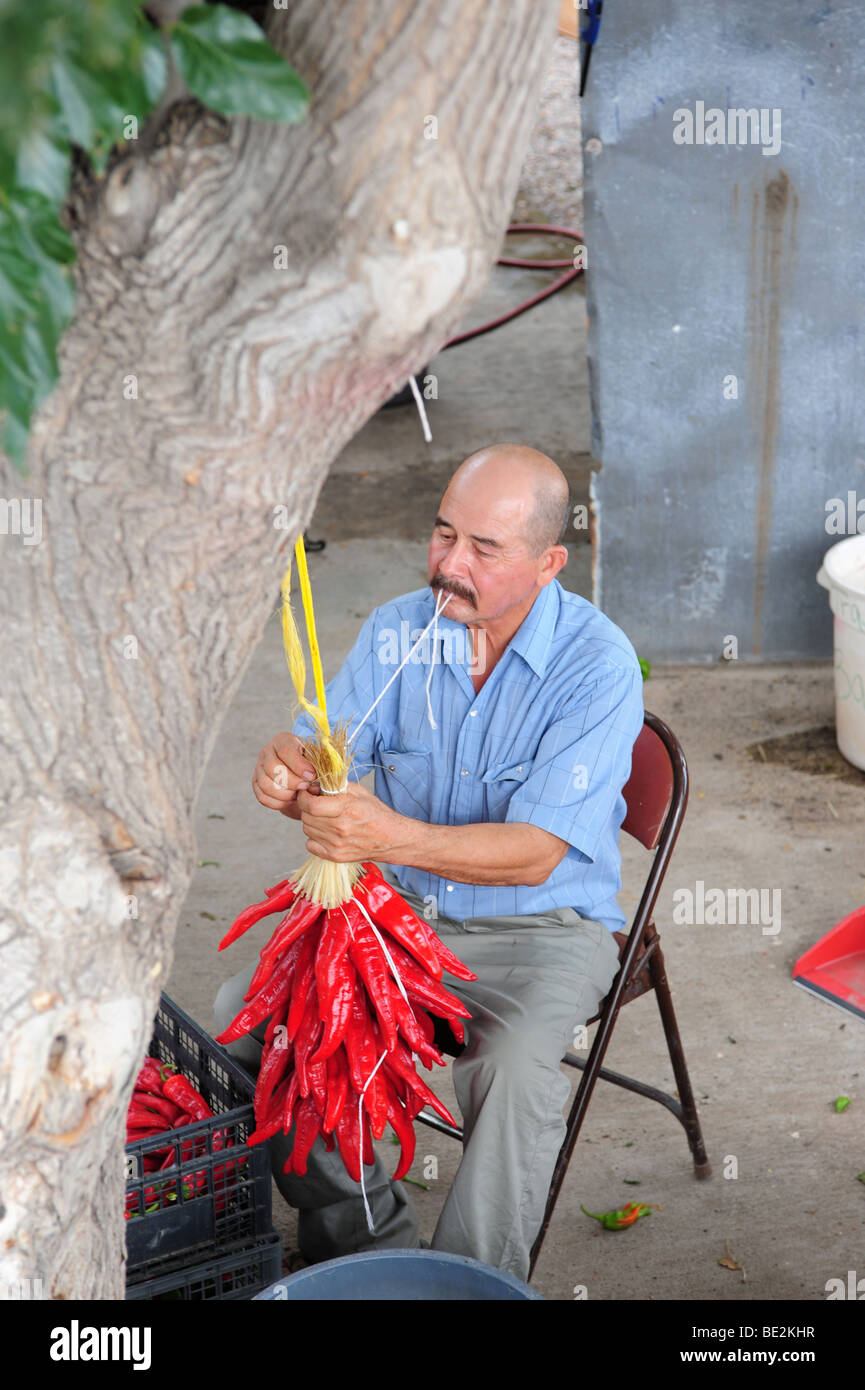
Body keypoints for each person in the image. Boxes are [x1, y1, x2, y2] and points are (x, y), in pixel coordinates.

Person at [214, 442, 645, 1280]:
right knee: (264, 1025)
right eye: (443, 533)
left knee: (515, 1069)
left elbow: (533, 856)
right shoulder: (401, 629)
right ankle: (368, 1256)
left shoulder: (596, 668)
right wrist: (288, 763)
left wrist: (385, 838)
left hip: (543, 927)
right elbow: (323, 744)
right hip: (398, 911)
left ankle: (466, 1285)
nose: (450, 564)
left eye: (484, 549)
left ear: (549, 563)